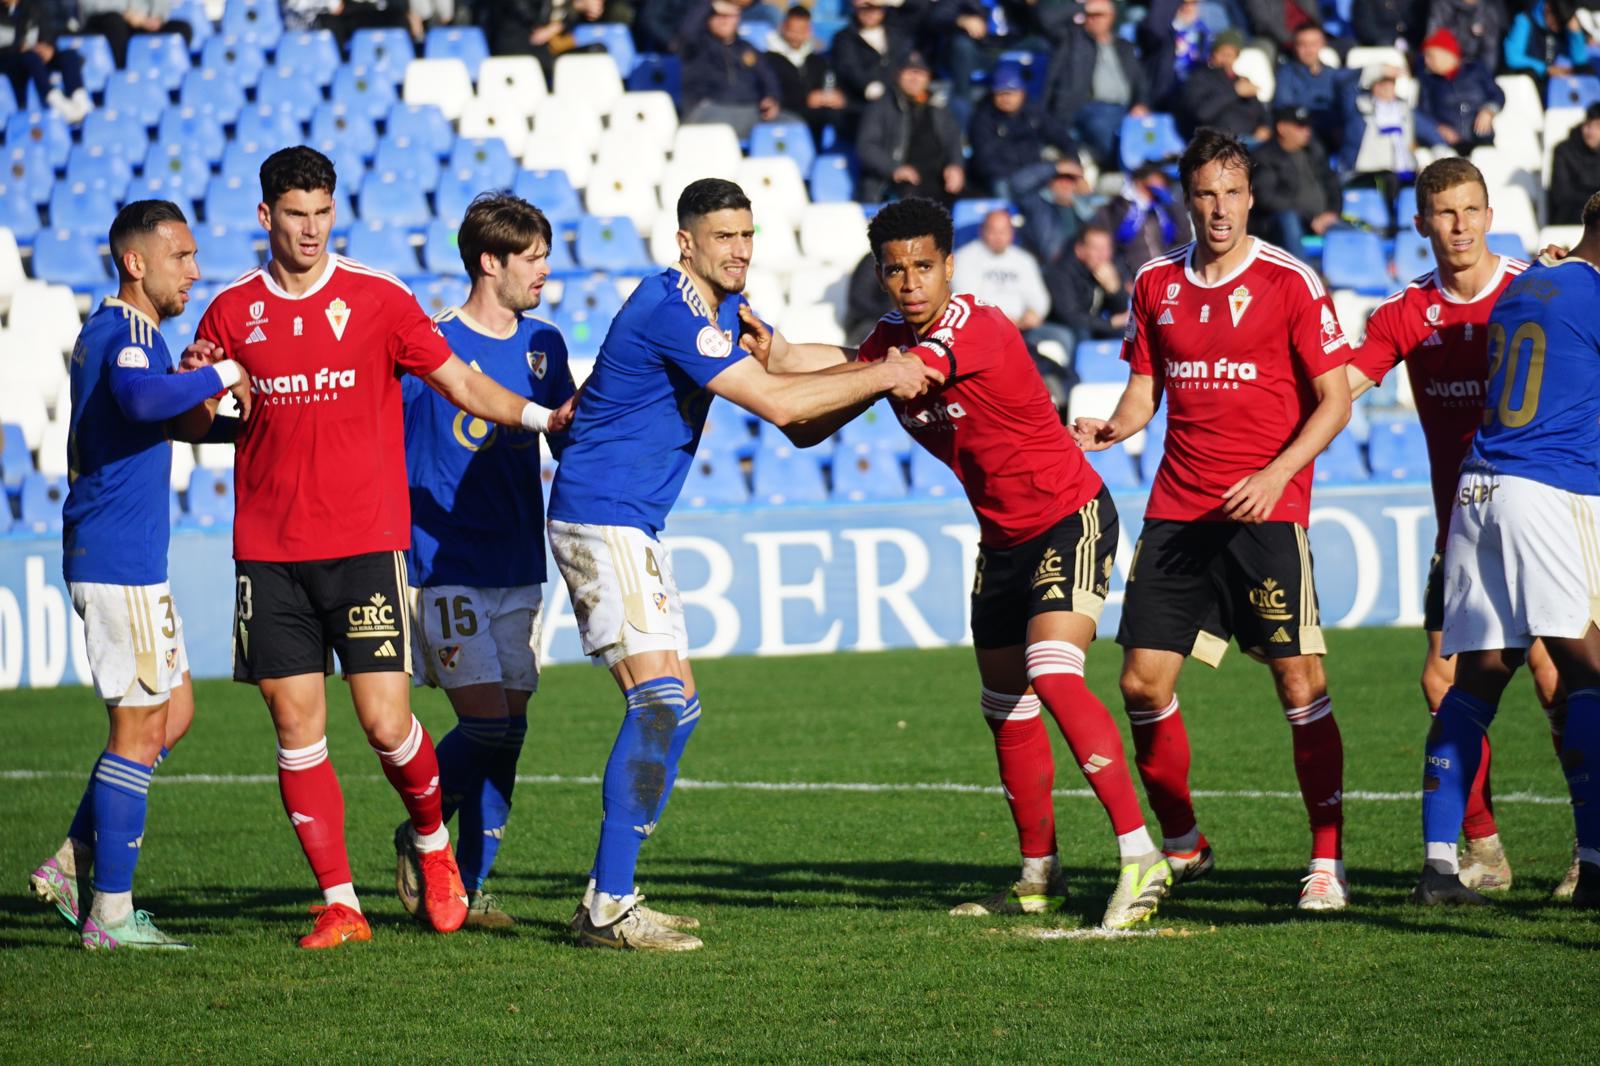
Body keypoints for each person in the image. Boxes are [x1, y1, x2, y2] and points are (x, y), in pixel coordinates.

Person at [547, 178, 941, 951]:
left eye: (747, 235)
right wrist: (890, 374)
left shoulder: (728, 310)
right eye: (723, 236)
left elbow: (789, 366)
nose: (739, 250)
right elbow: (781, 404)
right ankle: (608, 908)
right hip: (603, 515)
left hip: (631, 521)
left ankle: (611, 893)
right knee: (659, 702)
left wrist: (887, 354)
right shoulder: (672, 308)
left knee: (678, 707)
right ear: (685, 243)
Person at [190, 147, 567, 950]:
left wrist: (538, 420)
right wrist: (199, 390)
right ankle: (340, 903)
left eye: (323, 213)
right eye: (296, 215)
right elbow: (197, 424)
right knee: (296, 728)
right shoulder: (229, 312)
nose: (311, 230)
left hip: (365, 544)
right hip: (268, 550)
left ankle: (431, 842)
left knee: (386, 724)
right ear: (267, 218)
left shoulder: (378, 299)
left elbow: (462, 382)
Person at [763, 196, 1174, 930]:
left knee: (1052, 673)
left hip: (1067, 515)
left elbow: (900, 378)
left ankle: (1141, 857)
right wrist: (776, 358)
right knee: (1004, 705)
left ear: (950, 265)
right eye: (896, 270)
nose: (911, 282)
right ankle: (1037, 876)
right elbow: (832, 374)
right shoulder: (889, 338)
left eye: (924, 266)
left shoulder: (970, 328)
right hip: (1002, 539)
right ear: (882, 276)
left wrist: (792, 390)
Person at [1073, 127, 1356, 911]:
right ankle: (1183, 841)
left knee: (1298, 680)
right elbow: (1144, 391)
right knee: (1139, 682)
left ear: (1251, 197)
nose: (1219, 208)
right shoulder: (1154, 283)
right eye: (1205, 194)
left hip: (1266, 512)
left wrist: (1275, 478)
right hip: (1180, 511)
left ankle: (1326, 863)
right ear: (1186, 199)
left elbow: (1333, 400)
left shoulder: (1291, 282)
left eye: (1232, 192)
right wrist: (1112, 428)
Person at [1346, 157, 1578, 899]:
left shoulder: (1532, 289)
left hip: (1541, 514)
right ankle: (1482, 846)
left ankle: (1587, 848)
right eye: (1445, 213)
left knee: (1557, 677)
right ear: (1421, 224)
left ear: (1489, 214)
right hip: (1467, 527)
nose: (1460, 227)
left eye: (1472, 210)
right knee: (1441, 680)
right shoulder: (1405, 313)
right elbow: (1343, 386)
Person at [30, 200, 251, 950]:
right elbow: (139, 398)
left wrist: (244, 424)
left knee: (174, 712)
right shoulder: (121, 332)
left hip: (132, 562)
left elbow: (163, 416)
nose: (194, 269)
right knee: (135, 727)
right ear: (136, 262)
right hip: (117, 561)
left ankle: (73, 856)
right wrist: (226, 368)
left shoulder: (145, 337)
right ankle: (111, 916)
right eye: (181, 256)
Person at [392, 192, 577, 930]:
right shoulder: (426, 346)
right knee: (489, 725)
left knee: (514, 726)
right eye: (531, 257)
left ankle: (466, 886)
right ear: (488, 261)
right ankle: (423, 831)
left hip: (518, 560)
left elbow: (567, 440)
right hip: (446, 562)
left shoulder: (546, 345)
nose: (544, 270)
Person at [1413, 190, 1600, 910]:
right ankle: (1594, 863)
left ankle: (1438, 868)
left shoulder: (1529, 286)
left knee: (1478, 680)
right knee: (1587, 671)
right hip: (1543, 492)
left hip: (1479, 492)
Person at [1043, 0, 1150, 168]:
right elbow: (1046, 19)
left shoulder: (1124, 46)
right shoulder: (1071, 40)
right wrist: (1084, 6)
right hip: (1088, 108)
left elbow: (1140, 82)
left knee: (1151, 130)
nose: (1094, 19)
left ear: (1112, 17)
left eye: (1100, 15)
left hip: (1125, 110)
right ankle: (1126, 169)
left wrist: (1141, 104)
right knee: (1103, 127)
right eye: (1090, 15)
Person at [856, 51, 965, 204]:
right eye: (910, 73)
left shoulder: (938, 106)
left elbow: (953, 140)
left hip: (939, 178)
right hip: (898, 182)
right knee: (914, 208)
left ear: (928, 79)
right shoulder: (880, 107)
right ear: (898, 75)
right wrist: (894, 169)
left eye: (920, 74)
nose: (915, 79)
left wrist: (955, 166)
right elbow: (866, 147)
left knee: (980, 203)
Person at [966, 63, 1080, 200]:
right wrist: (1026, 175)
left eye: (1011, 93)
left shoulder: (1032, 112)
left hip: (1035, 175)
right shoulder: (983, 119)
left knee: (1067, 189)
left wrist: (1072, 167)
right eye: (1001, 93)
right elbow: (986, 162)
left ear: (1022, 93)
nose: (1006, 98)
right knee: (1003, 186)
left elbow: (1062, 137)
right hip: (1004, 179)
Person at [1250, 105, 1342, 263]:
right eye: (1300, 126)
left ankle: (1343, 280)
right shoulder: (1264, 156)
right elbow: (1267, 198)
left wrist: (1331, 212)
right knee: (1288, 219)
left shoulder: (1314, 151)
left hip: (1321, 220)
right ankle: (1302, 275)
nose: (1307, 131)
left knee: (1354, 232)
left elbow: (1332, 184)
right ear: (1282, 128)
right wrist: (1309, 218)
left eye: (1308, 126)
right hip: (1282, 224)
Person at [682, 0, 783, 139]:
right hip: (708, 111)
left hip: (748, 111)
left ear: (738, 18)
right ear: (708, 19)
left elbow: (768, 77)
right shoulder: (697, 46)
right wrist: (711, 5)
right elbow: (687, 31)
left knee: (792, 125)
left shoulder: (747, 48)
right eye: (718, 15)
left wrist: (772, 98)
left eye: (729, 16)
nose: (724, 20)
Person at [1273, 23, 1363, 167]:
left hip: (1334, 131)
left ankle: (1348, 170)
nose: (1308, 50)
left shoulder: (1333, 74)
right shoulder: (1286, 75)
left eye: (1313, 44)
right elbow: (1285, 109)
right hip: (1306, 131)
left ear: (1323, 44)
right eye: (1302, 44)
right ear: (1295, 46)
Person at [762, 5, 849, 143]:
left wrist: (835, 96)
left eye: (802, 30)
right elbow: (772, 93)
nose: (796, 35)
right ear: (783, 27)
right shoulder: (768, 59)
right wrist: (806, 99)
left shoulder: (818, 60)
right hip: (787, 113)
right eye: (793, 30)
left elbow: (828, 85)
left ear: (809, 30)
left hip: (818, 113)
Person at [0, 0, 92, 124]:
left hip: (35, 58)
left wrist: (49, 48)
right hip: (9, 61)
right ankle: (58, 102)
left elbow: (48, 33)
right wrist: (19, 48)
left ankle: (80, 100)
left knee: (69, 55)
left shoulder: (34, 8)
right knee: (31, 57)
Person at [1095, 162, 1191, 280]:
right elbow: (1112, 246)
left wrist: (1172, 205)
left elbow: (1184, 237)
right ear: (1139, 183)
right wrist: (1124, 279)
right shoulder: (1118, 207)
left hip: (1164, 274)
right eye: (1154, 187)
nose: (1159, 190)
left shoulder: (1161, 211)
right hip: (1133, 277)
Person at [1044, 224, 1132, 351]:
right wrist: (1110, 323)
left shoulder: (1111, 266)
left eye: (1106, 248)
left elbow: (1121, 311)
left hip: (1093, 324)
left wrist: (1114, 289)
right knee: (1082, 334)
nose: (1102, 255)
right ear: (1080, 250)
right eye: (1096, 249)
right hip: (1060, 326)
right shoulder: (1061, 272)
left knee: (1127, 332)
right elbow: (1070, 316)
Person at [1416, 26, 1503, 153]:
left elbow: (1497, 95)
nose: (1427, 61)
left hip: (1480, 141)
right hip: (1446, 146)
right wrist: (1438, 128)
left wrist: (1489, 110)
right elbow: (1424, 112)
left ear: (1446, 53)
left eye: (1430, 56)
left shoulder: (1476, 70)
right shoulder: (1429, 81)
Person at [1179, 29, 1270, 144]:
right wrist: (1234, 91)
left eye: (1230, 55)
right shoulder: (1200, 77)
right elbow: (1201, 113)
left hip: (1249, 141)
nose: (1226, 59)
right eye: (1222, 54)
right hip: (1217, 142)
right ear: (1213, 54)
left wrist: (1265, 127)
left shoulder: (1242, 80)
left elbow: (1261, 112)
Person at [1015, 158, 1101, 269]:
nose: (1065, 184)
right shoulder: (1037, 203)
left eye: (1070, 179)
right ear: (1051, 182)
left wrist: (1088, 189)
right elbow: (1018, 184)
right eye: (1060, 178)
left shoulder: (1083, 210)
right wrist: (1054, 168)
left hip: (1077, 268)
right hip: (1046, 267)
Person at [77, 0, 192, 67]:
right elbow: (91, 4)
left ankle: (167, 70)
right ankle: (122, 71)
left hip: (142, 21)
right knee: (115, 23)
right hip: (108, 19)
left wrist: (156, 17)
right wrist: (126, 13)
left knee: (182, 29)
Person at [1503, 0, 1587, 88]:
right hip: (1531, 84)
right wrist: (1546, 69)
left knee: (1585, 71)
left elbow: (1580, 62)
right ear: (1548, 8)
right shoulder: (1525, 20)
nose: (1558, 29)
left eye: (1562, 24)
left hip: (1556, 84)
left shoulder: (1563, 24)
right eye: (1557, 22)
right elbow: (1512, 58)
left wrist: (1575, 34)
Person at [1547, 102, 1600, 226]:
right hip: (1571, 217)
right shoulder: (1563, 151)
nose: (1591, 131)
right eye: (1588, 125)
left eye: (1597, 126)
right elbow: (1562, 196)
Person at [1426, 0, 1507, 69]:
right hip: (1445, 69)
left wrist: (1476, 74)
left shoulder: (1489, 9)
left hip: (1475, 72)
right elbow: (1433, 43)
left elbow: (1490, 52)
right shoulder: (1442, 5)